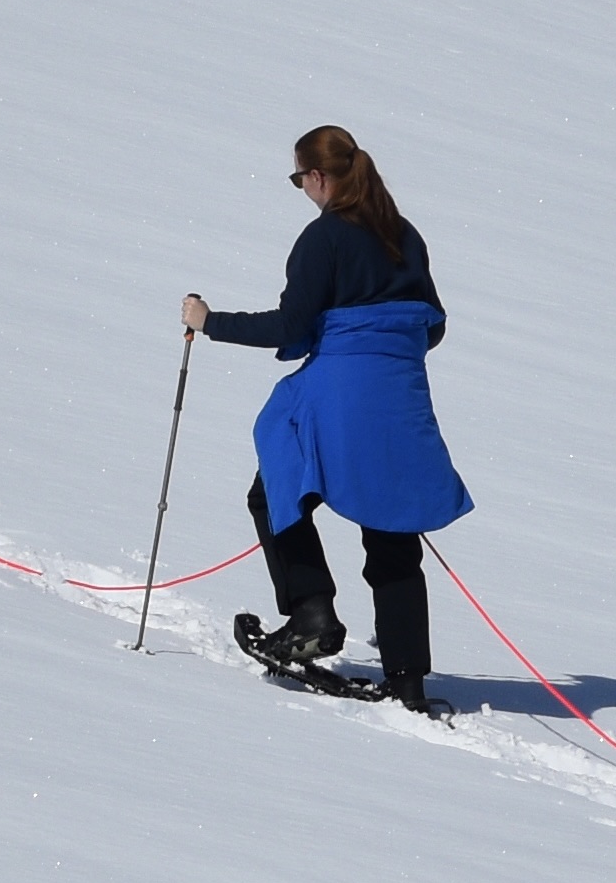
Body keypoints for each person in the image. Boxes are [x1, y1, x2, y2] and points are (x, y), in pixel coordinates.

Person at [186, 126, 470, 703]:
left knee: (277, 492)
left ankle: (312, 616)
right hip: (400, 394)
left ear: (318, 177)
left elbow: (290, 327)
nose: (302, 190)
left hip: (340, 388)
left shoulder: (325, 238)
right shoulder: (403, 235)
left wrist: (209, 321)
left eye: (299, 179)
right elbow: (433, 324)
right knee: (392, 526)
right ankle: (407, 677)